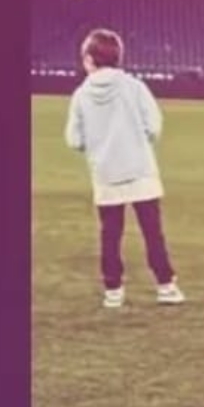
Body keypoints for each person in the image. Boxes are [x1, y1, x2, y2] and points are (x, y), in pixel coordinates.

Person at [64, 28, 184, 309]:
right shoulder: (134, 87)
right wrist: (137, 141)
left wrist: (96, 147)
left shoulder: (81, 95)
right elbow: (153, 126)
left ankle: (113, 291)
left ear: (90, 59)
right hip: (140, 169)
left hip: (106, 174)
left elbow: (74, 139)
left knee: (110, 234)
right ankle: (166, 286)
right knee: (153, 232)